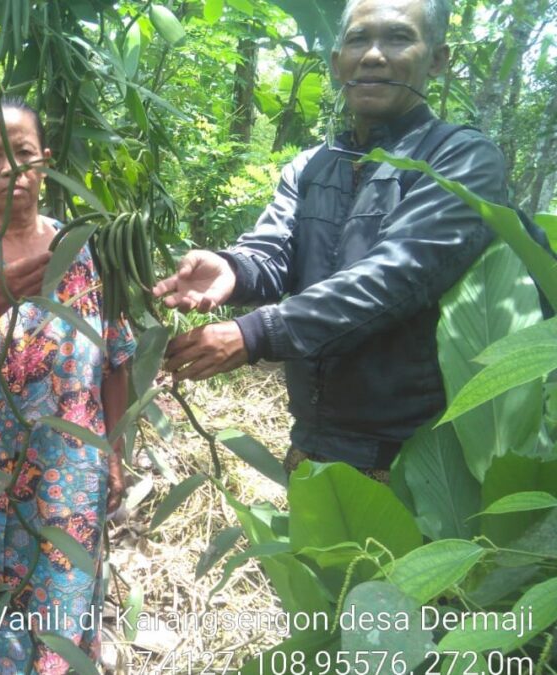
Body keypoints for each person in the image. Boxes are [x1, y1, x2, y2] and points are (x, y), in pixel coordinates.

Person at [154, 0, 506, 480]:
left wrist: (255, 333)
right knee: (311, 558)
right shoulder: (312, 165)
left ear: (438, 59)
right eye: (358, 39)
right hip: (314, 441)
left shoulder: (461, 159)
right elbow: (274, 249)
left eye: (399, 38)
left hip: (418, 455)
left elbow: (397, 276)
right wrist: (232, 269)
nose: (374, 56)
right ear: (337, 61)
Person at [0, 98, 135, 672]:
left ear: (45, 163)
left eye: (24, 154)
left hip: (66, 479)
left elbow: (116, 358)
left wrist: (113, 451)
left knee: (59, 618)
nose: (11, 167)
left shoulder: (88, 251)